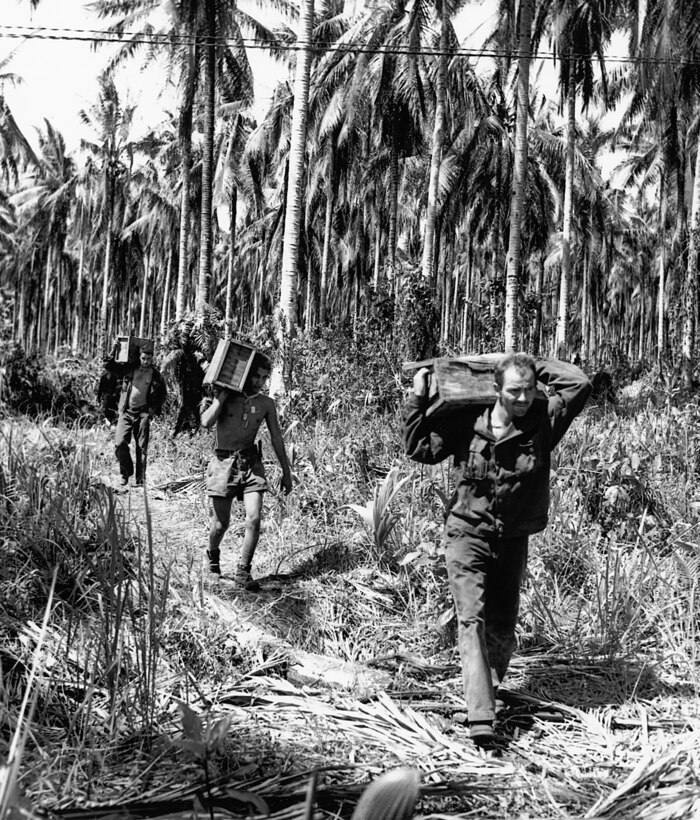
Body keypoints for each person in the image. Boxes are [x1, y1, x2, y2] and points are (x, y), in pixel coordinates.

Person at [403, 352, 591, 744]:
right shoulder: (465, 422)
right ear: (496, 390)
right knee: (472, 619)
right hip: (466, 534)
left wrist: (526, 361)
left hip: (513, 537)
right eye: (514, 391)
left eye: (529, 390)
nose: (523, 399)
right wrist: (418, 398)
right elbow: (420, 448)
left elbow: (579, 384)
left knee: (503, 623)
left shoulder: (543, 422)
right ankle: (481, 716)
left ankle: (486, 689)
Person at [200, 353, 293, 590]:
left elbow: (276, 438)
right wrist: (221, 397)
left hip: (251, 463)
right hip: (223, 463)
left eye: (264, 378)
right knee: (221, 524)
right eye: (256, 376)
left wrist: (286, 471)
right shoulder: (227, 396)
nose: (260, 382)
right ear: (247, 375)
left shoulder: (266, 404)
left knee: (254, 519)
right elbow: (205, 422)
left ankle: (243, 571)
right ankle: (213, 558)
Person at [104, 340, 168, 488]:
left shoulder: (156, 376)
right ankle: (125, 473)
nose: (146, 362)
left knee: (142, 447)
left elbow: (162, 395)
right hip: (126, 412)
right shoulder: (129, 369)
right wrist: (114, 349)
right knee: (119, 443)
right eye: (143, 358)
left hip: (143, 413)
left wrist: (151, 410)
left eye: (149, 359)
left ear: (153, 359)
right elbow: (109, 365)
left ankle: (140, 480)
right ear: (139, 357)